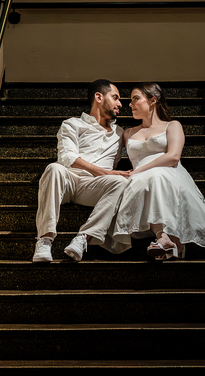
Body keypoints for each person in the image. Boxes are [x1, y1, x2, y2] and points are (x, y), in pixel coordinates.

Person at [112, 83, 205, 259]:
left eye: (136, 99)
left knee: (157, 176)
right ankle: (168, 241)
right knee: (146, 181)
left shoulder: (172, 126)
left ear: (152, 100)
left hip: (167, 172)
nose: (130, 104)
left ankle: (168, 240)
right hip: (140, 179)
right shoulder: (128, 133)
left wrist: (139, 171)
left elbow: (173, 156)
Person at [33, 79, 131, 262]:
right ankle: (45, 240)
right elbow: (66, 157)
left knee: (121, 181)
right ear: (99, 97)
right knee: (54, 168)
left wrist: (109, 175)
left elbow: (116, 164)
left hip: (93, 187)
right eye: (116, 97)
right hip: (67, 180)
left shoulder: (119, 134)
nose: (120, 104)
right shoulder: (72, 124)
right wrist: (106, 173)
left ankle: (83, 238)